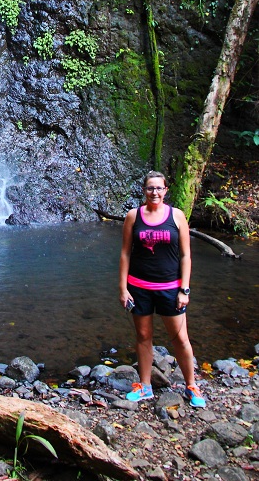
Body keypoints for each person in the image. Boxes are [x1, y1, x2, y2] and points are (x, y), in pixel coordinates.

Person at [119, 170, 206, 407]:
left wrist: (185, 289)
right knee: (143, 336)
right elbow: (126, 253)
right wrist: (123, 288)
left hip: (170, 287)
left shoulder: (177, 217)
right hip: (139, 287)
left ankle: (191, 385)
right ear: (144, 190)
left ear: (166, 190)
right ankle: (145, 386)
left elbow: (186, 255)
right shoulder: (133, 216)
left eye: (159, 188)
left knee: (180, 338)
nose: (154, 192)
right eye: (150, 188)